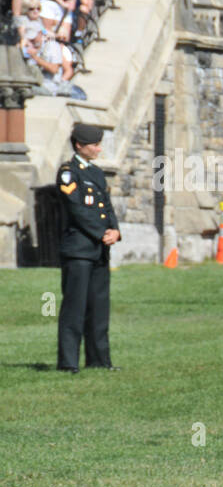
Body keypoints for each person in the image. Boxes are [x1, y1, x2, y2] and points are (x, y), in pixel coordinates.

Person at [56, 122, 119, 373]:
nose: (99, 149)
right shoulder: (68, 172)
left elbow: (106, 206)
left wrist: (115, 230)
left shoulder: (96, 173)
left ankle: (100, 360)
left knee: (99, 307)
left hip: (99, 250)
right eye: (94, 145)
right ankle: (69, 362)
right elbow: (77, 209)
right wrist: (100, 232)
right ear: (79, 145)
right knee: (75, 307)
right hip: (79, 250)